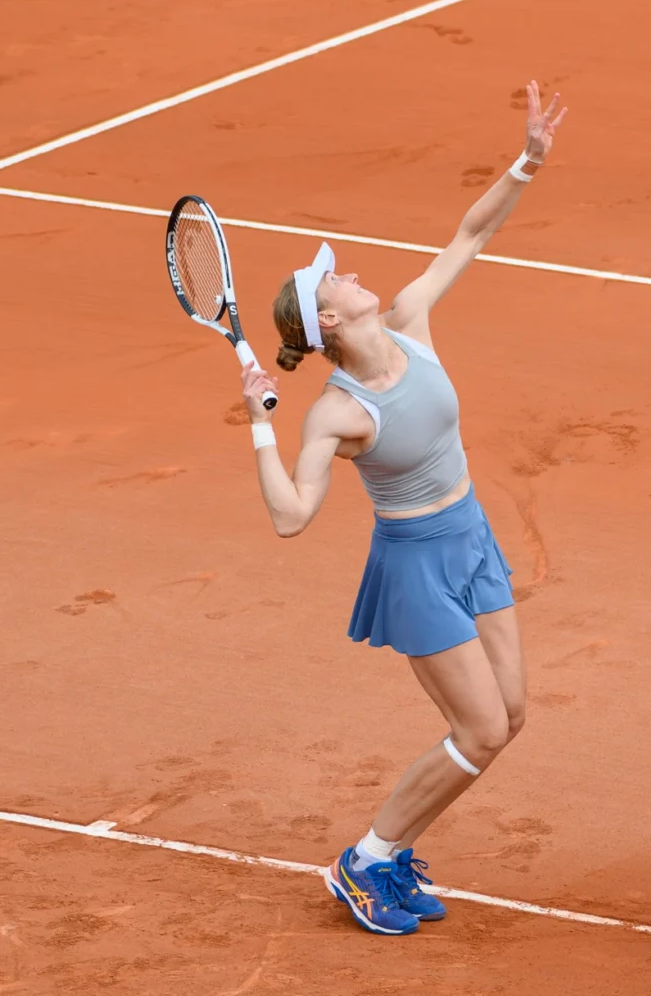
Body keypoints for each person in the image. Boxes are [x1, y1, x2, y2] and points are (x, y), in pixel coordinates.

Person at [240, 81, 567, 936]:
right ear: (327, 322)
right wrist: (260, 429)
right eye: (330, 280)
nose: (345, 271)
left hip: (471, 538)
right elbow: (289, 517)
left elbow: (471, 231)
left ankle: (390, 854)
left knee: (512, 716)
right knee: (480, 727)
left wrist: (526, 161)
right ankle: (367, 858)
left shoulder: (412, 319)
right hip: (416, 566)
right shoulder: (339, 413)